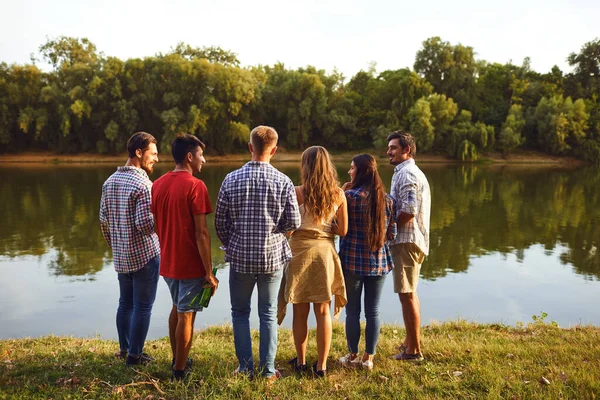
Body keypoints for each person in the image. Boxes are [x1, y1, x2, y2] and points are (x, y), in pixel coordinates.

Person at [215, 125, 301, 381]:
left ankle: (244, 368)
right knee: (268, 313)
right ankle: (268, 371)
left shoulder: (230, 179)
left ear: (250, 147)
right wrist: (277, 235)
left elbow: (220, 222)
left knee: (239, 313)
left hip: (240, 257)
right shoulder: (284, 181)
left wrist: (233, 242)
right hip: (272, 258)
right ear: (273, 150)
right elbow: (293, 222)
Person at [151, 133, 218, 380]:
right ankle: (180, 370)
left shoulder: (157, 184)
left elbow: (158, 225)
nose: (204, 160)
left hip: (167, 261)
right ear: (189, 156)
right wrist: (208, 272)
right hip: (189, 264)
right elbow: (202, 234)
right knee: (186, 314)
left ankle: (177, 356)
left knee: (177, 308)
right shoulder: (196, 186)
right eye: (201, 155)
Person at [277, 146, 348, 378]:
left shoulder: (296, 192)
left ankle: (301, 360)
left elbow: (287, 228)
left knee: (300, 309)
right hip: (324, 254)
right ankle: (322, 366)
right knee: (323, 310)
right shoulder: (338, 194)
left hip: (298, 252)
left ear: (304, 166)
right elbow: (343, 230)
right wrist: (326, 227)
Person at [99, 131, 160, 366]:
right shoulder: (144, 184)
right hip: (145, 256)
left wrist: (116, 246)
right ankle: (135, 356)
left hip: (122, 257)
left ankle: (124, 349)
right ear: (138, 152)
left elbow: (104, 221)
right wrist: (163, 224)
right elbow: (145, 225)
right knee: (143, 307)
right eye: (153, 154)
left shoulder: (109, 182)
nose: (156, 159)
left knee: (125, 304)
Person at [338, 154, 396, 370]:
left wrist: (343, 192)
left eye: (352, 168)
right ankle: (368, 358)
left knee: (352, 310)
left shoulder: (349, 197)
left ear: (360, 172)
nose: (349, 172)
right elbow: (392, 234)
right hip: (379, 264)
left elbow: (338, 225)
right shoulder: (388, 200)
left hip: (352, 263)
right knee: (373, 311)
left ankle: (352, 355)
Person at [386, 130, 431, 362]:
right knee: (410, 293)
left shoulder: (408, 174)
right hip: (411, 240)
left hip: (406, 240)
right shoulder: (405, 172)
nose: (389, 152)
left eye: (393, 147)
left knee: (407, 294)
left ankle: (414, 351)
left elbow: (409, 211)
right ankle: (410, 342)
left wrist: (386, 226)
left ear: (407, 150)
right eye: (389, 147)